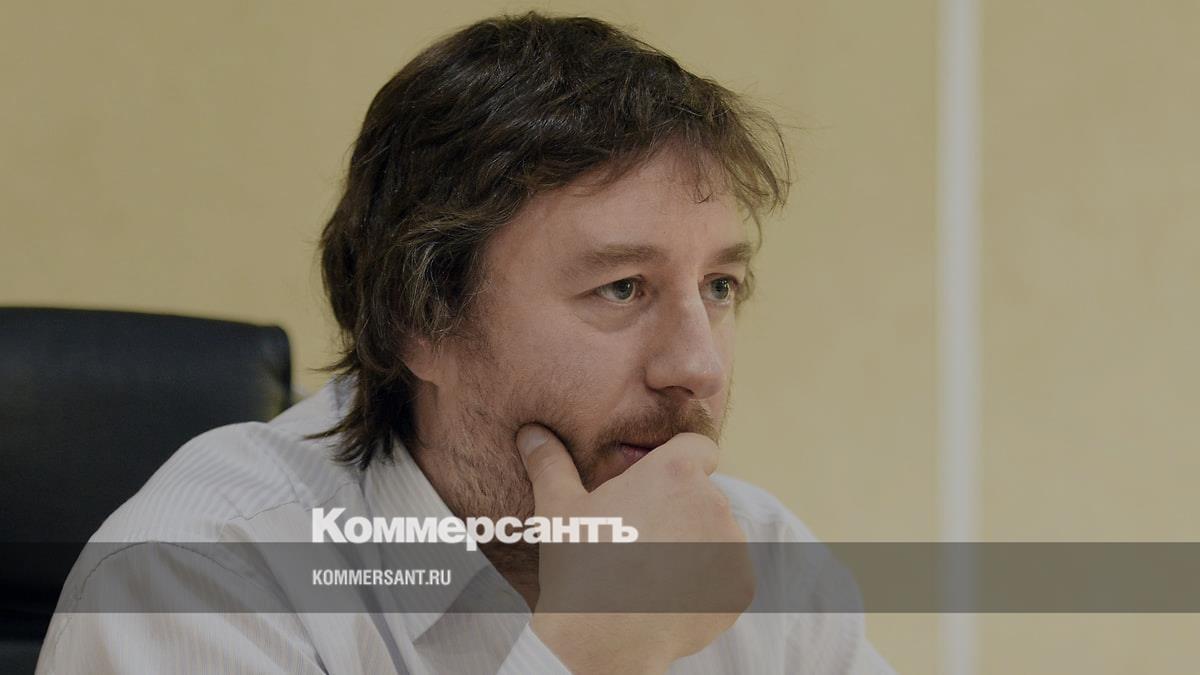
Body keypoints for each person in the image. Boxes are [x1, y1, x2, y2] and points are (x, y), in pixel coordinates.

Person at [37, 11, 894, 674]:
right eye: (622, 287)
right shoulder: (195, 577)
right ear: (423, 321)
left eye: (719, 287)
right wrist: (586, 655)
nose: (698, 365)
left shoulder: (763, 558)